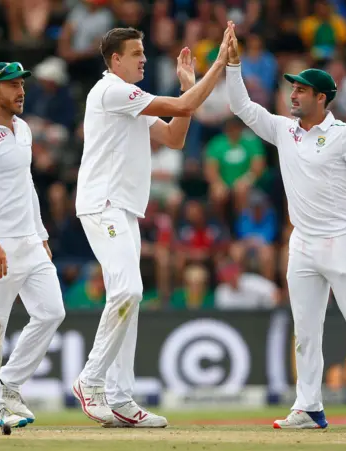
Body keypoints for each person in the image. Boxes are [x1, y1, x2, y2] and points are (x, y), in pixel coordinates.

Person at [225, 24, 346, 430]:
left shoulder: (343, 134)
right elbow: (242, 107)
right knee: (305, 329)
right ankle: (309, 406)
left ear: (322, 98)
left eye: (300, 90)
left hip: (343, 240)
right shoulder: (285, 130)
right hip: (301, 243)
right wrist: (233, 66)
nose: (292, 94)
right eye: (291, 89)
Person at [72, 25, 232, 427]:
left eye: (144, 52)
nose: (144, 59)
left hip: (123, 209)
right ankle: (90, 382)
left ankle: (121, 398)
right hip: (102, 205)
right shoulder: (111, 90)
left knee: (130, 298)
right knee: (128, 289)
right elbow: (180, 108)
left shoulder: (132, 101)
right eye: (136, 53)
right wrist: (217, 68)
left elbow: (175, 137)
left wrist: (190, 87)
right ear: (115, 60)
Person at [0, 62, 66, 429]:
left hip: (29, 242)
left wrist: (41, 234)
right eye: (12, 85)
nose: (21, 91)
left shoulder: (23, 129)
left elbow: (27, 185)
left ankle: (10, 383)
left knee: (52, 312)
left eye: (22, 84)